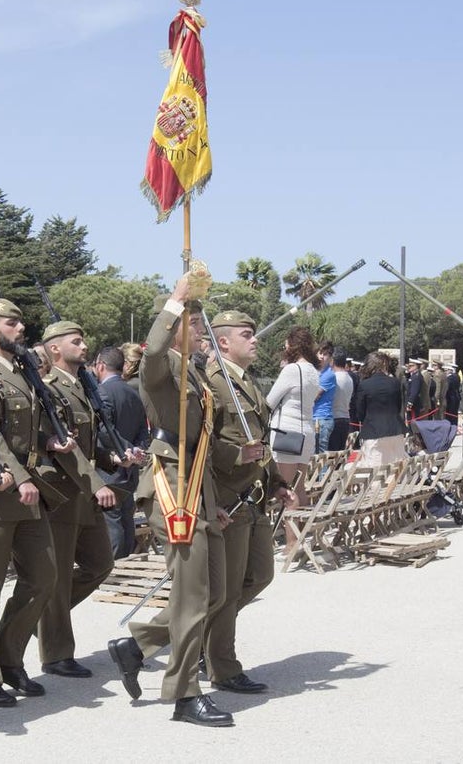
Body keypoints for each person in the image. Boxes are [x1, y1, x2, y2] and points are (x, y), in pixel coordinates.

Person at [107, 276, 232, 728]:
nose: (201, 331)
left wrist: (212, 500)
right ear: (175, 325)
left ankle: (137, 645)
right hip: (172, 486)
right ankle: (184, 694)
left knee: (214, 592)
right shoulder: (160, 367)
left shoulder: (194, 369)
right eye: (194, 323)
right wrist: (175, 302)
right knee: (194, 595)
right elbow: (154, 353)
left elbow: (202, 444)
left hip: (198, 485)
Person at [0, 297, 68, 707]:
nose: (21, 329)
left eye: (21, 322)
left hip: (29, 490)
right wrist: (21, 478)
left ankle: (10, 659)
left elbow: (26, 430)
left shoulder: (22, 371)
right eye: (12, 323)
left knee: (43, 578)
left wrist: (49, 442)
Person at [204, 310, 294, 695]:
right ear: (223, 342)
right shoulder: (213, 383)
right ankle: (222, 666)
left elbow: (261, 442)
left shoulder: (246, 381)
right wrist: (234, 457)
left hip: (254, 496)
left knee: (259, 576)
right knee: (223, 592)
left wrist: (276, 482)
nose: (254, 340)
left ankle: (201, 640)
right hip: (229, 497)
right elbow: (200, 446)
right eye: (246, 334)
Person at [36, 321, 122, 679]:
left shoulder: (83, 387)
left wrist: (112, 458)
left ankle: (40, 618)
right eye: (76, 341)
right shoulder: (49, 389)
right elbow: (61, 450)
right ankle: (56, 653)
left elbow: (86, 445)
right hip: (64, 495)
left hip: (85, 495)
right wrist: (96, 480)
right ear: (55, 349)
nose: (84, 346)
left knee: (100, 565)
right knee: (56, 580)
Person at [94, 345, 150, 558]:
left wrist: (125, 450)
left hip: (110, 468)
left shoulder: (102, 392)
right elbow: (144, 431)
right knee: (126, 520)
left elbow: (104, 430)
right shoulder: (134, 392)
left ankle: (116, 568)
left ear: (100, 366)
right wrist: (136, 450)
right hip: (130, 470)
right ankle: (127, 565)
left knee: (112, 523)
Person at [266, 326, 321, 508]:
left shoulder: (292, 370)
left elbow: (270, 401)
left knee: (286, 490)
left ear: (292, 346)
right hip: (306, 430)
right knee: (299, 487)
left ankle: (291, 537)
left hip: (287, 431)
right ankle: (300, 533)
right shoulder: (313, 371)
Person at [353, 351, 408, 467]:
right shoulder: (395, 383)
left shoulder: (364, 385)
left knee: (375, 470)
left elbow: (360, 413)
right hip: (395, 430)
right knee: (395, 470)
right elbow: (398, 407)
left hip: (373, 431)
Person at [327, 348, 354, 451]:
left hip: (334, 418)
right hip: (345, 418)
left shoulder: (334, 377)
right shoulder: (349, 378)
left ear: (332, 361)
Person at [312, 341, 337, 453]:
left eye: (325, 354)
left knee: (320, 456)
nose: (322, 356)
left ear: (330, 357)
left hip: (321, 418)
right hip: (313, 417)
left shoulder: (328, 375)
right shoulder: (314, 371)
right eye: (320, 353)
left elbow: (314, 396)